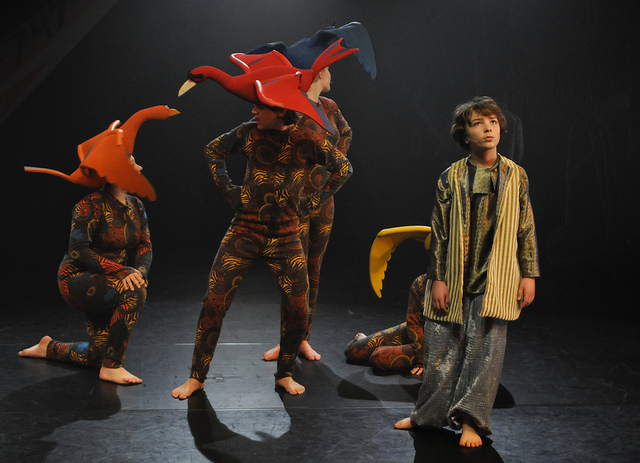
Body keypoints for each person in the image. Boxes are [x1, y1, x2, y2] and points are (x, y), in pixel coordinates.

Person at [171, 103, 352, 399]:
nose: (253, 110)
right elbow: (213, 149)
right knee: (214, 301)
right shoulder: (249, 132)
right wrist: (230, 190)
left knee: (297, 309)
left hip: (286, 235)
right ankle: (196, 377)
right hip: (245, 229)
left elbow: (344, 168)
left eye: (260, 106)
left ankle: (284, 374)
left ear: (279, 111)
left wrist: (313, 202)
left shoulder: (306, 138)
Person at [394, 96, 540, 447]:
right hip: (455, 276)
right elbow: (440, 232)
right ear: (464, 134)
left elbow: (525, 227)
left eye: (493, 121)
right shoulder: (452, 176)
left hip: (497, 276)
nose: (488, 128)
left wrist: (529, 273)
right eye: (478, 123)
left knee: (486, 352)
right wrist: (438, 278)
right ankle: (426, 415)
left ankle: (472, 422)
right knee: (440, 351)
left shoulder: (515, 175)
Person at [19, 155, 152, 385]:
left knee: (95, 355)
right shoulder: (90, 205)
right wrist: (122, 271)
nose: (140, 167)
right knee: (134, 292)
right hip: (78, 278)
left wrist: (138, 272)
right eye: (133, 164)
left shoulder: (136, 206)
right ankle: (112, 366)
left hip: (111, 278)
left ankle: (48, 348)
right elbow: (78, 251)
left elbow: (145, 245)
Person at [261, 66, 351, 363]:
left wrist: (335, 164)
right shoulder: (292, 106)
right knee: (294, 274)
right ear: (318, 73)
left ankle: (302, 339)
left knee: (314, 269)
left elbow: (346, 132)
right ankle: (287, 339)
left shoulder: (330, 106)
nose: (332, 76)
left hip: (324, 200)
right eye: (329, 70)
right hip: (295, 200)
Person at [344, 274, 426, 375]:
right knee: (352, 350)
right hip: (419, 333)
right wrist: (420, 356)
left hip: (435, 347)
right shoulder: (421, 282)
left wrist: (423, 359)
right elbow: (413, 322)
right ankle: (380, 346)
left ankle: (385, 349)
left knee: (379, 357)